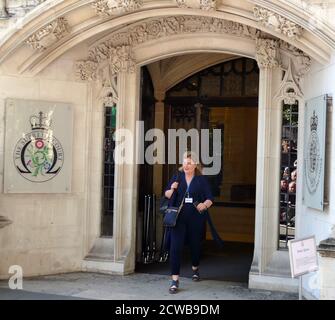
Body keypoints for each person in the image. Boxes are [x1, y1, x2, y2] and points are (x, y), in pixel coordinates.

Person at [164, 151, 214, 294]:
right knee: (175, 248)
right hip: (178, 219)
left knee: (195, 246)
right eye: (185, 162)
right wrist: (172, 188)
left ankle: (195, 267)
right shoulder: (177, 177)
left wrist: (204, 205)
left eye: (190, 163)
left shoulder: (201, 180)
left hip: (195, 219)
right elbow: (167, 195)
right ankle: (174, 281)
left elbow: (210, 198)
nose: (186, 165)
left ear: (195, 165)